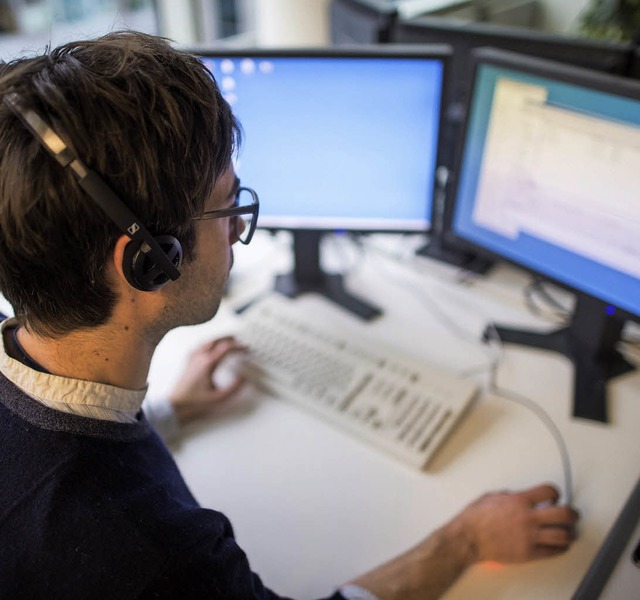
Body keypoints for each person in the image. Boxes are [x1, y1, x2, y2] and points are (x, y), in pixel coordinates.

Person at [0, 31, 579, 599]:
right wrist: (464, 540)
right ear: (150, 263)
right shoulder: (156, 558)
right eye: (228, 205)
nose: (237, 228)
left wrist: (171, 413)